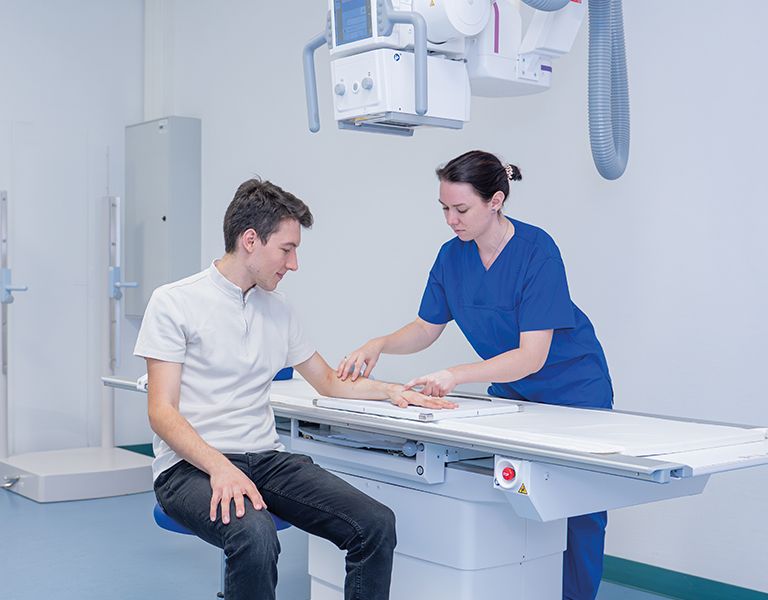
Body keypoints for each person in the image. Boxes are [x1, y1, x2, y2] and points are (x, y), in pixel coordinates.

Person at [135, 178, 456, 600]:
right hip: (189, 468)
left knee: (374, 523)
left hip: (264, 459)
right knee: (255, 534)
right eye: (287, 249)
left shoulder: (279, 309)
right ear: (250, 240)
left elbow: (327, 381)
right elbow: (161, 411)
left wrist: (392, 391)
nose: (294, 263)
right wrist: (220, 467)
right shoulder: (174, 302)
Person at [337, 150, 613, 600]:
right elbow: (427, 327)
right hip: (514, 394)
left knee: (578, 513)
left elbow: (532, 356)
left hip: (573, 389)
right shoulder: (452, 257)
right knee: (514, 506)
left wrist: (456, 374)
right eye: (444, 208)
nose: (451, 220)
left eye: (460, 209)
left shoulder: (536, 250)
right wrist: (379, 344)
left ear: (496, 201)